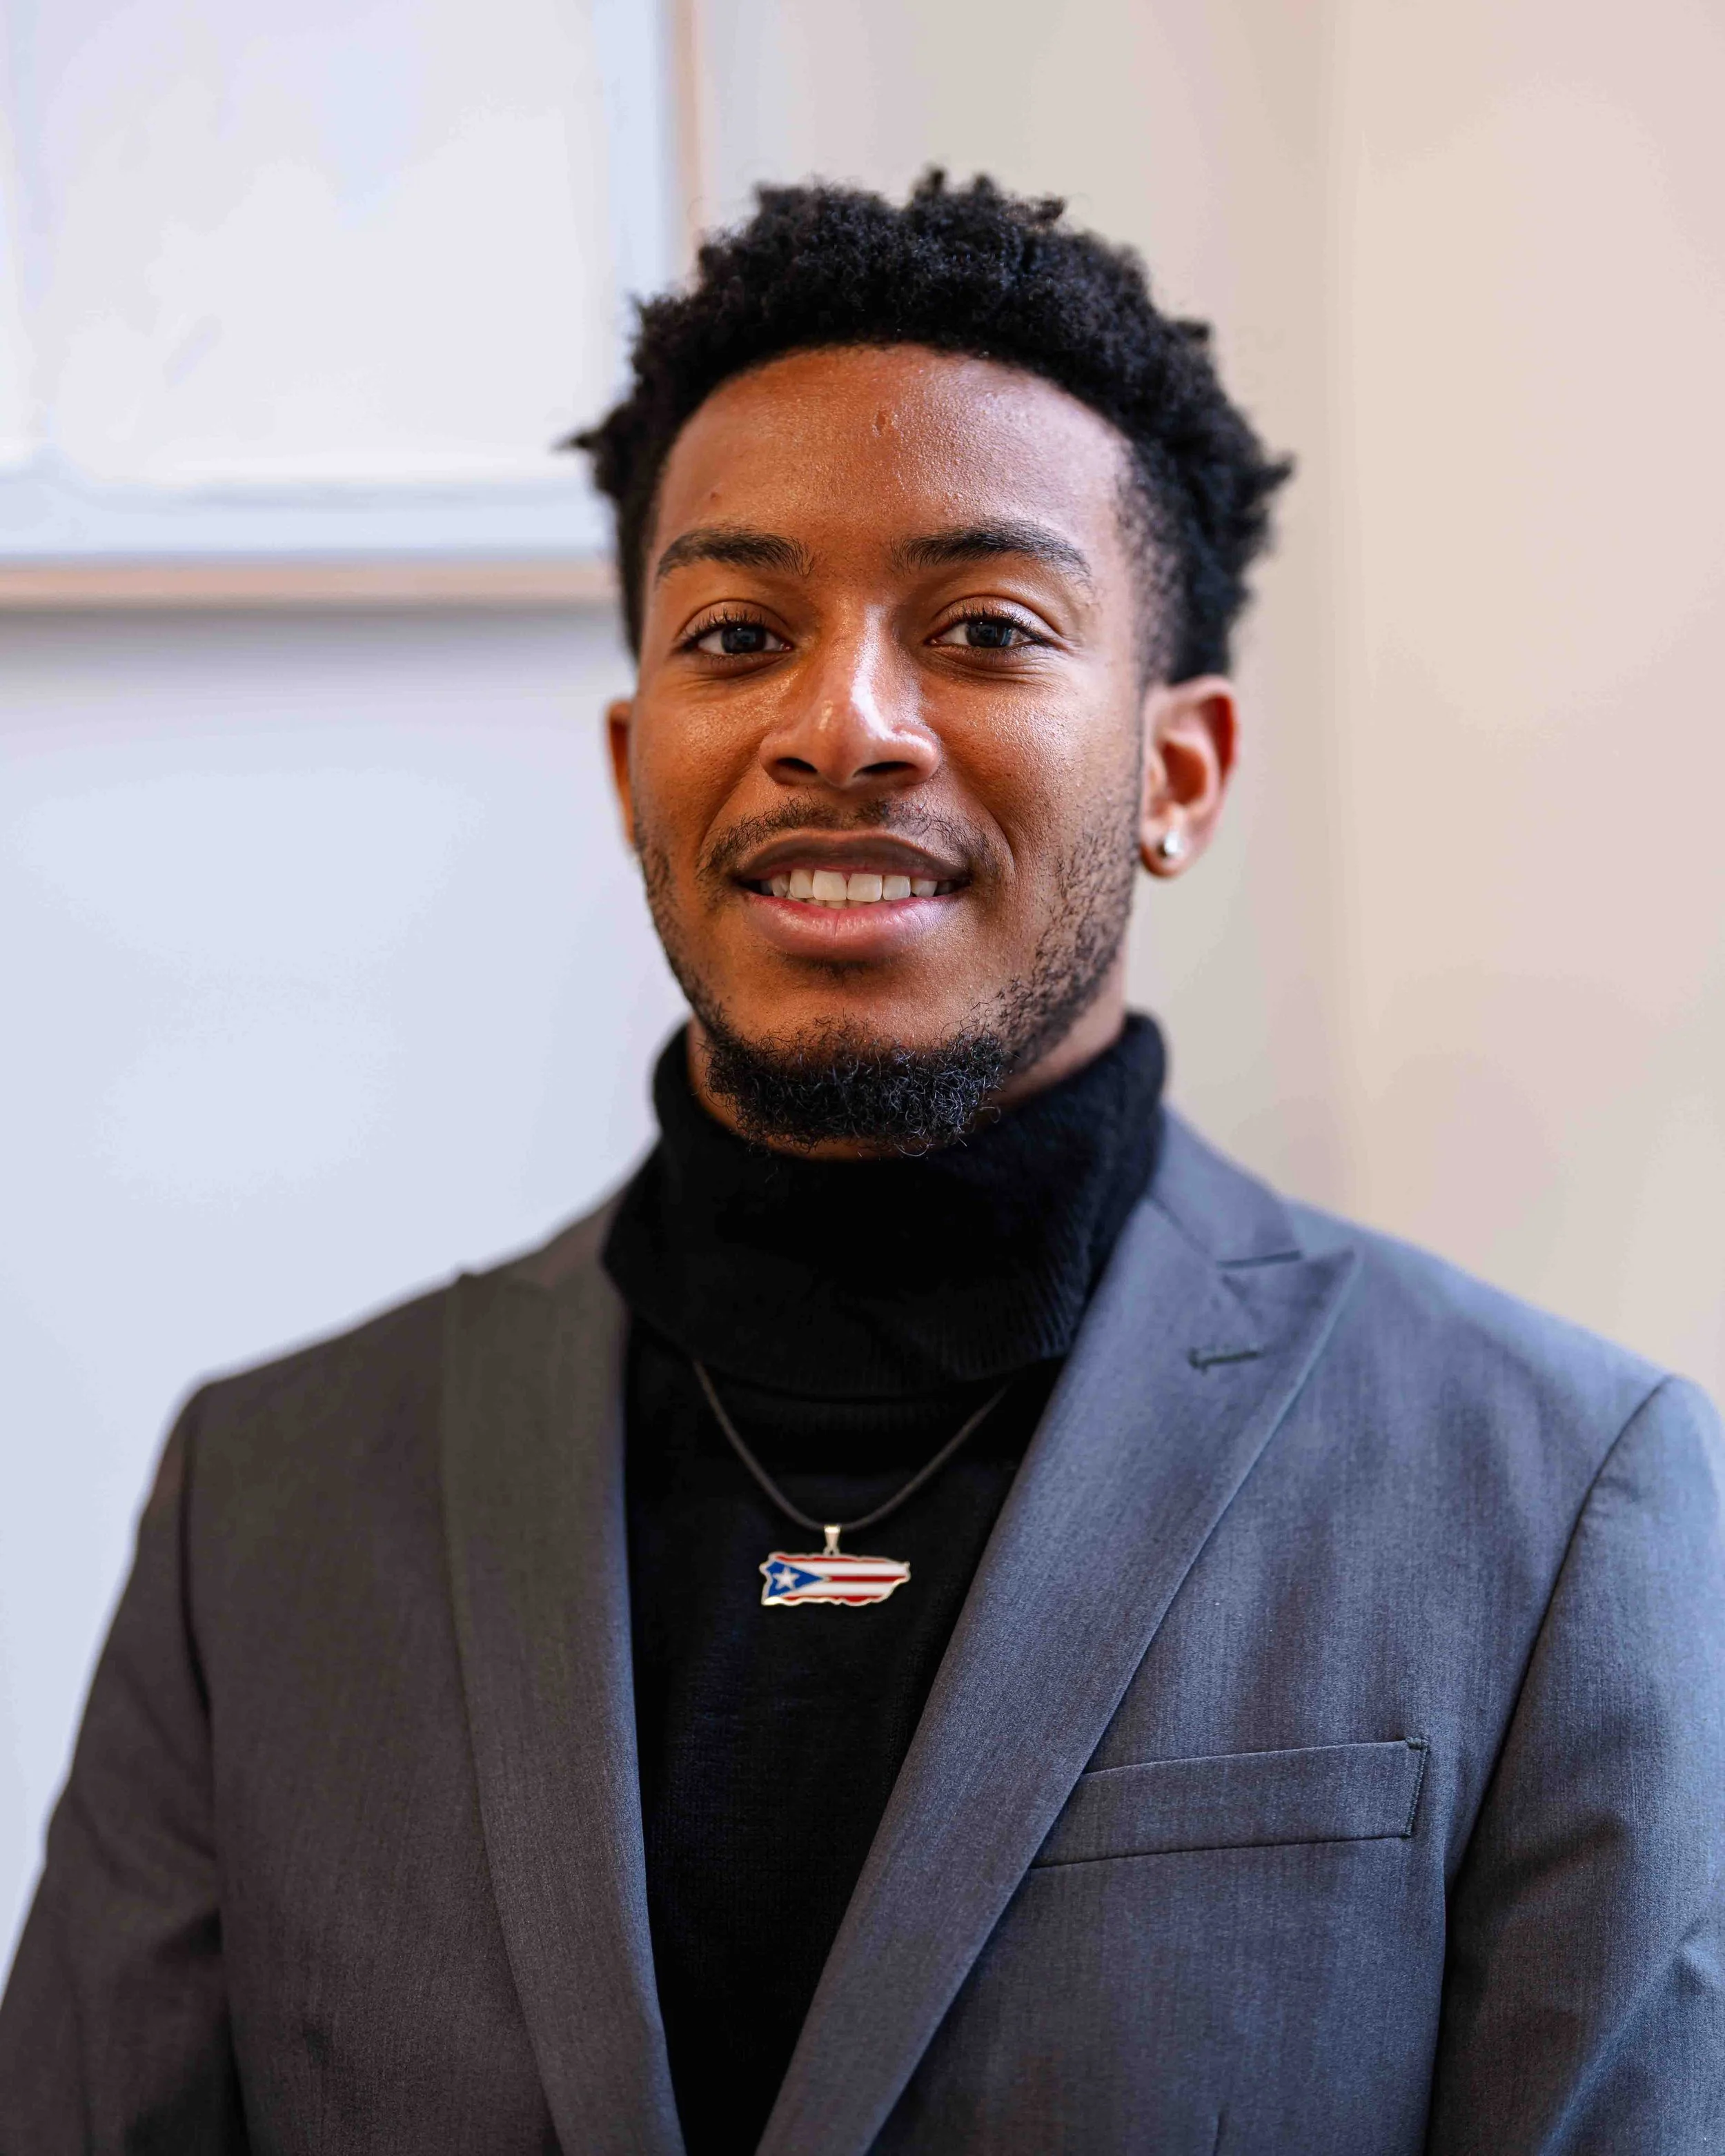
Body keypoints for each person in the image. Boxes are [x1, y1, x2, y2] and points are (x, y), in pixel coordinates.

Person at [2, 172, 1721, 2156]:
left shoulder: (1546, 1489)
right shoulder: (269, 1500)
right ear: (633, 755)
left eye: (984, 628)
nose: (843, 724)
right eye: (739, 633)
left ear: (1178, 771)